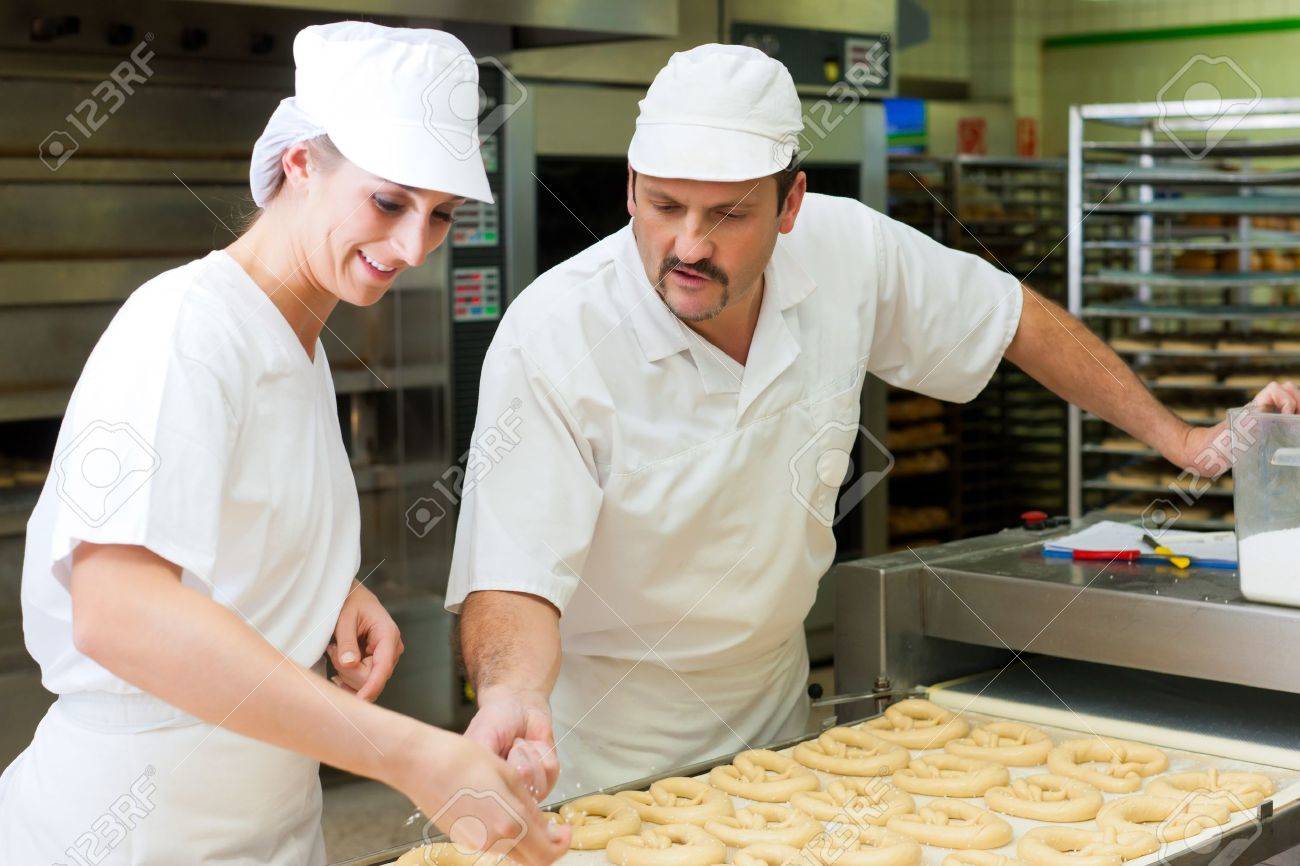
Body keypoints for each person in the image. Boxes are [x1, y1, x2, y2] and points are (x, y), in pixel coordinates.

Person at [446, 43, 1300, 802]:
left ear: (791, 206)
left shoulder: (845, 251)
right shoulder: (555, 334)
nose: (690, 246)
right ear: (631, 188)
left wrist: (1179, 438)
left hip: (777, 730)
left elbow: (1014, 321)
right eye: (664, 206)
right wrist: (512, 697)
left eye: (729, 215)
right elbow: (512, 570)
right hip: (595, 758)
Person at [0, 22, 568, 866]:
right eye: (388, 202)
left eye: (440, 215)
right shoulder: (186, 325)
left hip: (266, 824)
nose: (414, 246)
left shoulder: (293, 343)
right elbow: (115, 610)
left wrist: (314, 584)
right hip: (130, 829)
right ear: (301, 163)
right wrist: (410, 752)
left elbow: (222, 520)